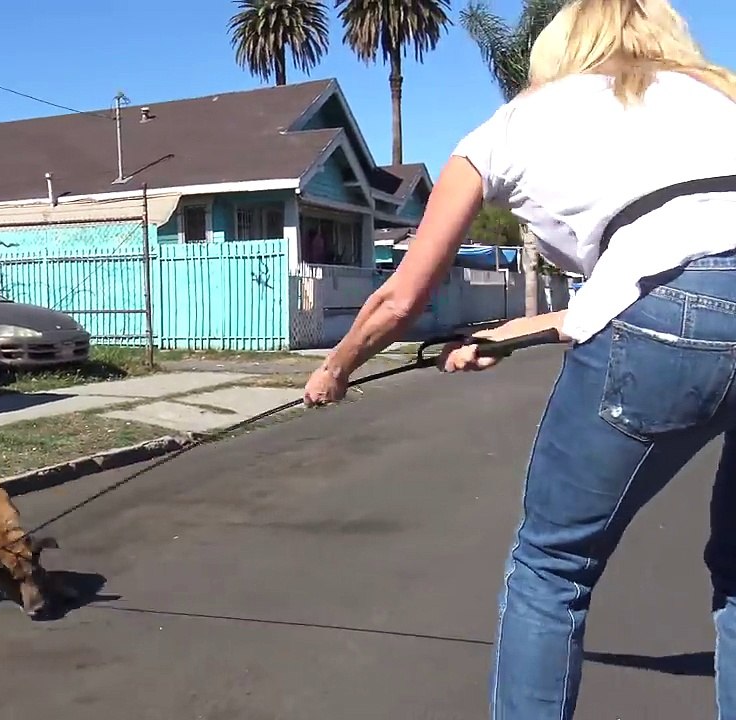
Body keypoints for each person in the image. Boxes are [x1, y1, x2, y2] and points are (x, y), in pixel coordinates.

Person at [301, 0, 736, 717]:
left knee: (552, 566)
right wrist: (508, 333)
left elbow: (399, 298)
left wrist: (335, 368)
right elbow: (698, 268)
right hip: (672, 301)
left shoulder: (522, 119)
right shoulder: (719, 97)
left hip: (665, 317)